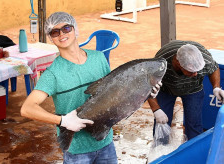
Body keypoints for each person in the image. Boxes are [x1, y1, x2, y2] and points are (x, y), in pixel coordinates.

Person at [21, 12, 161, 163]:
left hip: (105, 143)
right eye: (55, 32)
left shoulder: (98, 58)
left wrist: (146, 91)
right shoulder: (53, 73)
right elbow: (27, 109)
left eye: (66, 28)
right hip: (77, 151)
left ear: (75, 29)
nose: (61, 34)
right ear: (51, 38)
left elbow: (115, 92)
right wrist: (62, 121)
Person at [148, 40, 224, 141]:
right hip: (166, 89)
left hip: (194, 89)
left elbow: (214, 68)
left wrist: (216, 87)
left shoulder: (204, 58)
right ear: (178, 63)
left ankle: (193, 151)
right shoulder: (160, 63)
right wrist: (156, 110)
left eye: (197, 70)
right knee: (161, 123)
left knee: (194, 124)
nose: (196, 74)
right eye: (191, 71)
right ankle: (160, 151)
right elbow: (148, 86)